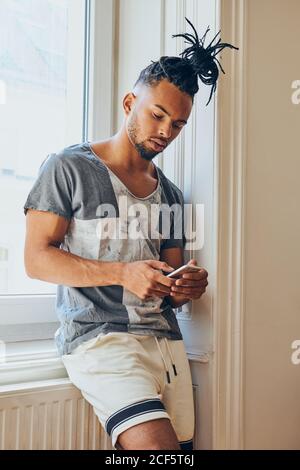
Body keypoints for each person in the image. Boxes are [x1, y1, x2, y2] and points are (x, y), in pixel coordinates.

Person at [23, 18, 238, 450]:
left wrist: (186, 286)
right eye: (157, 114)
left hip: (166, 347)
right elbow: (36, 259)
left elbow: (172, 285)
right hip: (101, 341)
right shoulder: (67, 167)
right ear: (129, 102)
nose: (165, 131)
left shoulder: (173, 195)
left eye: (177, 124)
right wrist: (124, 272)